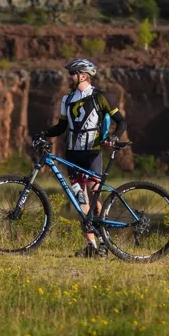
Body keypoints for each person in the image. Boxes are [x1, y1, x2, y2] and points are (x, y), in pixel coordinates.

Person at [33, 58, 127, 258]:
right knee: (79, 198)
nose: (68, 77)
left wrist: (114, 137)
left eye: (72, 74)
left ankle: (104, 242)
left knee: (94, 196)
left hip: (92, 153)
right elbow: (61, 127)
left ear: (83, 75)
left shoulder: (100, 97)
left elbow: (121, 122)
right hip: (73, 153)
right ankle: (92, 246)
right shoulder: (66, 100)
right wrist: (43, 132)